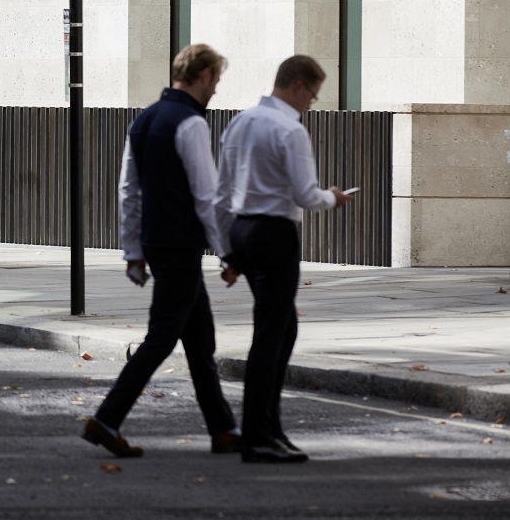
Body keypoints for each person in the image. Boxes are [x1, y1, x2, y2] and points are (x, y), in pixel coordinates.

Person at [82, 43, 243, 460]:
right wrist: (227, 252)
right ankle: (106, 420)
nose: (216, 89)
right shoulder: (190, 123)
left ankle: (224, 429)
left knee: (200, 339)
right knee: (161, 338)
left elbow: (128, 190)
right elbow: (207, 197)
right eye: (216, 80)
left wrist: (133, 250)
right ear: (204, 76)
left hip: (158, 243)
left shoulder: (145, 118)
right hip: (181, 245)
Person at [215, 54, 351, 463]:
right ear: (297, 86)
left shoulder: (240, 122)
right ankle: (258, 436)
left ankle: (270, 428)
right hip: (274, 234)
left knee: (283, 328)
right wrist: (334, 197)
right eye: (313, 95)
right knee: (271, 334)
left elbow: (221, 194)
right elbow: (306, 195)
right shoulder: (290, 130)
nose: (311, 103)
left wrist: (227, 251)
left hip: (243, 229)